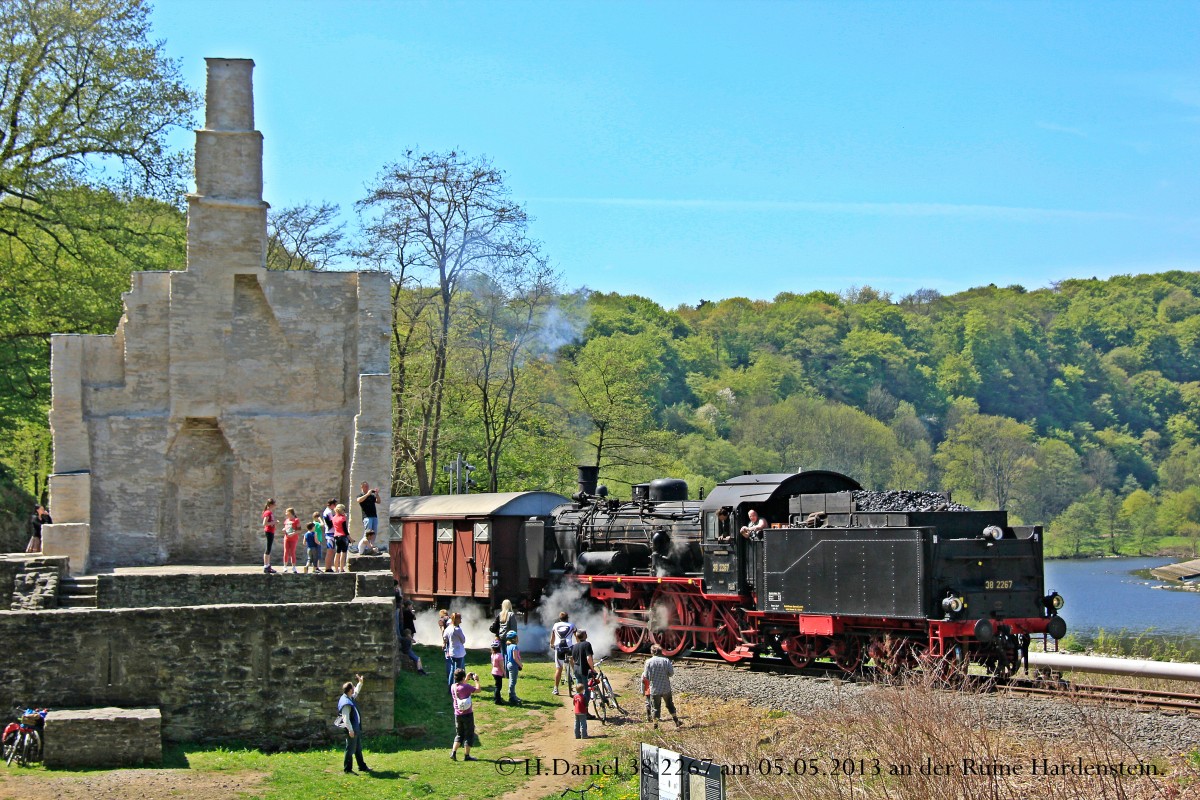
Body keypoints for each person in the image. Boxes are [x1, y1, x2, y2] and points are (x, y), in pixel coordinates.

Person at [642, 643, 682, 728]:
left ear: (652, 652)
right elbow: (671, 673)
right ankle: (676, 721)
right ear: (661, 652)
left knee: (655, 707)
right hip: (665, 687)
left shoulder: (648, 662)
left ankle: (655, 725)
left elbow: (646, 676)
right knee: (670, 705)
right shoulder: (666, 661)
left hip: (655, 688)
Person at [337, 673, 371, 773]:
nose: (354, 689)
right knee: (350, 750)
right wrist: (350, 730)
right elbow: (345, 718)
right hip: (351, 729)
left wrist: (360, 683)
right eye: (352, 688)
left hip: (355, 728)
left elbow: (356, 692)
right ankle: (347, 769)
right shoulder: (346, 703)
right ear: (349, 690)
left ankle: (362, 766)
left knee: (358, 749)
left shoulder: (349, 697)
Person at [449, 668, 480, 761]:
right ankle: (467, 755)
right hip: (467, 714)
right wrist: (476, 680)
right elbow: (478, 690)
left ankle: (453, 753)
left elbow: (461, 685)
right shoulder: (467, 687)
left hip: (457, 714)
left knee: (459, 734)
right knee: (469, 734)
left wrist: (466, 678)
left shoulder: (453, 687)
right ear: (462, 677)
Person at [549, 611, 577, 695]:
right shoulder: (572, 625)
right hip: (569, 646)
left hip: (558, 647)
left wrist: (551, 644)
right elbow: (577, 636)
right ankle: (575, 675)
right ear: (567, 618)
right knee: (573, 661)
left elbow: (552, 637)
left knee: (559, 669)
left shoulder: (555, 625)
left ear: (559, 619)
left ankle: (556, 689)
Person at [397, 598, 427, 675]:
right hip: (409, 629)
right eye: (411, 605)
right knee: (409, 644)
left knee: (409, 643)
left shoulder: (403, 611)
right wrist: (412, 612)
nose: (412, 607)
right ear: (409, 605)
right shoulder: (408, 612)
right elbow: (414, 618)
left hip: (406, 628)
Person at [569, 629, 595, 708]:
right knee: (586, 691)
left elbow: (572, 659)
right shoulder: (587, 644)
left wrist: (574, 669)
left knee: (579, 690)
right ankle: (584, 710)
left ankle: (578, 708)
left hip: (576, 670)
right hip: (583, 669)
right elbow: (588, 658)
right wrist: (592, 668)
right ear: (584, 635)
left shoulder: (575, 646)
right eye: (586, 633)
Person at [356, 482, 381, 555]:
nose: (367, 488)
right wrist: (367, 494)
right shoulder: (360, 495)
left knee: (374, 532)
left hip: (374, 516)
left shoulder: (371, 496)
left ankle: (371, 545)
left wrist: (376, 494)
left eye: (368, 486)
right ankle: (365, 547)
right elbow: (358, 500)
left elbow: (378, 501)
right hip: (367, 516)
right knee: (367, 532)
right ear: (362, 487)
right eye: (365, 486)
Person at [443, 611, 467, 686]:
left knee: (452, 670)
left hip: (452, 651)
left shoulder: (448, 628)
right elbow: (463, 640)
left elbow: (444, 638)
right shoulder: (457, 629)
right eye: (459, 618)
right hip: (459, 652)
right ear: (456, 619)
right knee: (459, 671)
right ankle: (457, 687)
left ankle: (450, 687)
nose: (461, 620)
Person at [503, 630, 523, 705]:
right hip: (513, 665)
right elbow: (515, 657)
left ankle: (513, 695)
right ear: (514, 639)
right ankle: (512, 697)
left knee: (512, 680)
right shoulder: (514, 646)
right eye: (516, 637)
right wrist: (520, 664)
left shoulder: (508, 646)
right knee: (513, 681)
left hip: (509, 664)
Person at [331, 503, 350, 573]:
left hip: (336, 536)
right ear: (342, 510)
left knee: (337, 552)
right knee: (343, 553)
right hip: (342, 536)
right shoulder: (343, 518)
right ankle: (341, 568)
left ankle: (336, 569)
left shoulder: (334, 518)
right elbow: (345, 530)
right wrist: (350, 538)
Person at [282, 507, 301, 573]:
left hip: (293, 538)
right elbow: (286, 528)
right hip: (286, 538)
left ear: (290, 513)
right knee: (286, 552)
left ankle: (294, 567)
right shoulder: (286, 520)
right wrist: (284, 530)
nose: (286, 513)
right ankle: (285, 566)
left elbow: (299, 530)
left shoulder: (296, 520)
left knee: (292, 552)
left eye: (287, 512)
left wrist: (293, 534)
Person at [261, 499, 277, 573]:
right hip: (269, 531)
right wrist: (273, 522)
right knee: (268, 549)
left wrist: (273, 522)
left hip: (271, 531)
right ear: (271, 505)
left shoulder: (270, 512)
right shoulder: (268, 512)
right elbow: (264, 523)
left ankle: (268, 565)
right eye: (274, 504)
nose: (275, 506)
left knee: (269, 549)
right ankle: (266, 566)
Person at [322, 500, 338, 573]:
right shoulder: (328, 512)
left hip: (331, 533)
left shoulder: (328, 512)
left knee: (331, 551)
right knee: (330, 551)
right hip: (330, 533)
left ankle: (329, 567)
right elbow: (330, 524)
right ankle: (327, 568)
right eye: (335, 505)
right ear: (332, 505)